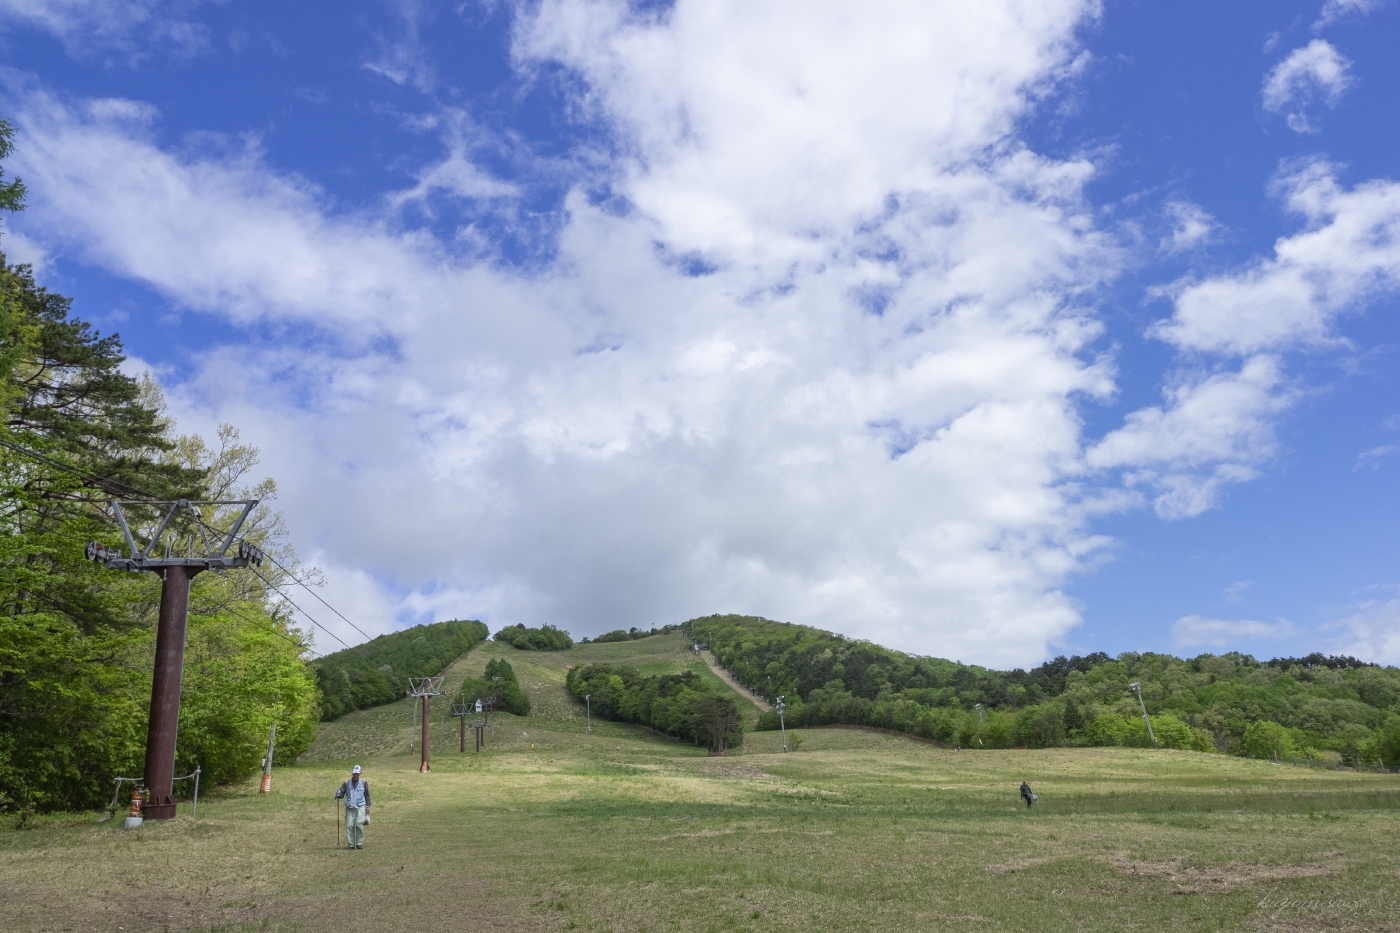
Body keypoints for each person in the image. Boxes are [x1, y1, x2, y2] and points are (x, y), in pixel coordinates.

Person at [336, 764, 372, 848]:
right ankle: (351, 844)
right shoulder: (346, 783)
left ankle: (359, 843)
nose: (355, 775)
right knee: (349, 825)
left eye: (357, 774)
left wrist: (368, 806)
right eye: (354, 773)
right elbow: (341, 794)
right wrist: (338, 794)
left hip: (360, 807)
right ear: (352, 773)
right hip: (350, 807)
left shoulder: (364, 782)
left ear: (360, 773)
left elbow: (367, 795)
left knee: (359, 824)